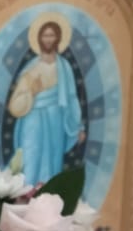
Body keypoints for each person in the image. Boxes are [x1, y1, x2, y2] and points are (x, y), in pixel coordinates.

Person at [7, 19, 85, 186]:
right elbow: (15, 105)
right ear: (39, 39)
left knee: (53, 163)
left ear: (58, 38)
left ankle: (48, 199)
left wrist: (78, 126)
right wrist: (32, 93)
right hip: (32, 120)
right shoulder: (30, 69)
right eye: (45, 36)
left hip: (56, 120)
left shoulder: (64, 67)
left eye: (51, 35)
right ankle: (25, 195)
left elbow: (71, 98)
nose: (48, 39)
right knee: (30, 160)